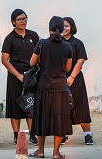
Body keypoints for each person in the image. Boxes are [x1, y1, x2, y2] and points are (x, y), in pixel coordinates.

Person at [29, 16, 73, 159]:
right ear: (62, 29)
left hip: (43, 87)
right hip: (60, 88)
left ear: (49, 28)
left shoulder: (41, 44)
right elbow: (68, 68)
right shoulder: (67, 46)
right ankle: (56, 153)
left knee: (41, 119)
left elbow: (31, 63)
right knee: (59, 120)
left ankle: (40, 151)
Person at [1, 9, 39, 145]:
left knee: (31, 105)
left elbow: (39, 55)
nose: (22, 21)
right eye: (19, 19)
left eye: (24, 18)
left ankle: (33, 134)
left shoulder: (33, 36)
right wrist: (18, 75)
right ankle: (16, 135)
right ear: (13, 22)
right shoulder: (9, 38)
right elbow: (5, 60)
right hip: (15, 76)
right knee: (15, 107)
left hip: (31, 76)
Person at [61, 17, 93, 145]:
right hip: (60, 79)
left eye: (67, 26)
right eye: (62, 26)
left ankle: (88, 134)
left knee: (81, 106)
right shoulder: (57, 42)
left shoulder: (78, 43)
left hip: (76, 79)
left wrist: (72, 77)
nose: (64, 28)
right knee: (62, 108)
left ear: (72, 27)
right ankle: (63, 134)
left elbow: (80, 61)